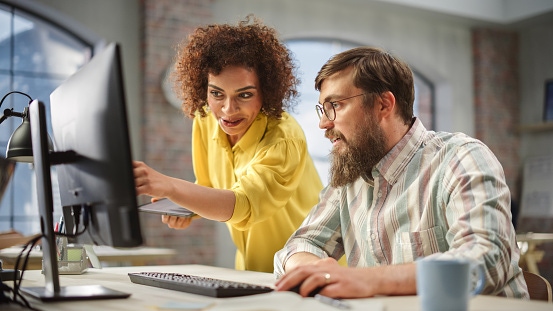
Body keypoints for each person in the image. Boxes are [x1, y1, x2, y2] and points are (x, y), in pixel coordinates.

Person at [273, 46, 529, 299]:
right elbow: (301, 244)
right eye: (322, 109)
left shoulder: (462, 157)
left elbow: (486, 260)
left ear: (384, 104)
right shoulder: (351, 175)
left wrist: (368, 280)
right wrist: (315, 270)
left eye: (335, 105)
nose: (323, 123)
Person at [133, 16, 323, 273]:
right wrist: (187, 207)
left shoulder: (283, 139)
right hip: (251, 271)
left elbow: (243, 205)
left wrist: (171, 186)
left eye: (244, 95)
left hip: (310, 272)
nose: (228, 110)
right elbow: (209, 185)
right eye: (216, 93)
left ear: (266, 91)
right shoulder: (205, 119)